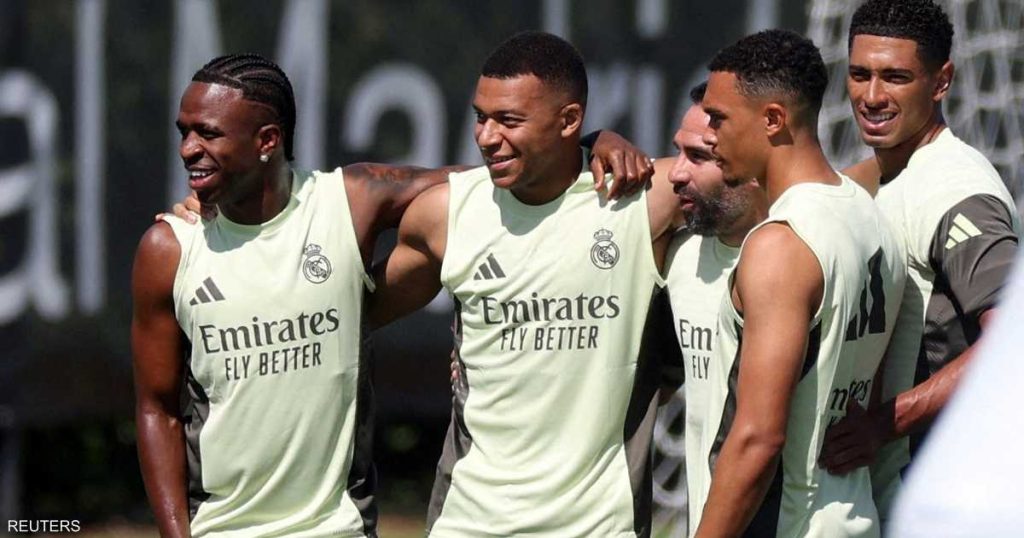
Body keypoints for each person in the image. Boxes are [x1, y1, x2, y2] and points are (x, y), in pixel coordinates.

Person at [132, 52, 650, 537]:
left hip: (339, 527)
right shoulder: (169, 248)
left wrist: (591, 143)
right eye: (184, 132)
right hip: (221, 527)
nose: (188, 149)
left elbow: (503, 174)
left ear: (267, 140)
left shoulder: (350, 200)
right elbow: (157, 409)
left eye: (207, 133)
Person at [369, 31, 679, 537]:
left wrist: (596, 140)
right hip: (468, 522)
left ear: (569, 120)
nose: (486, 136)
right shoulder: (446, 213)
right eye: (481, 117)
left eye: (509, 121)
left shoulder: (643, 200)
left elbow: (753, 170)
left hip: (598, 527)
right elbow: (343, 316)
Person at [691, 30, 905, 537]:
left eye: (718, 118)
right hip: (852, 517)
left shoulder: (781, 244)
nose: (709, 136)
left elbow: (758, 438)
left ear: (772, 119)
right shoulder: (868, 215)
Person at [818, 0, 1022, 525]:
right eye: (859, 75)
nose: (871, 96)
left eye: (895, 77)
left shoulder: (956, 191)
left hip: (948, 501)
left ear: (941, 81)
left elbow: (1012, 342)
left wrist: (886, 422)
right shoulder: (890, 176)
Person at [660, 81, 767, 536]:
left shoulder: (813, 251)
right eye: (677, 152)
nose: (675, 173)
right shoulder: (676, 256)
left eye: (699, 156)